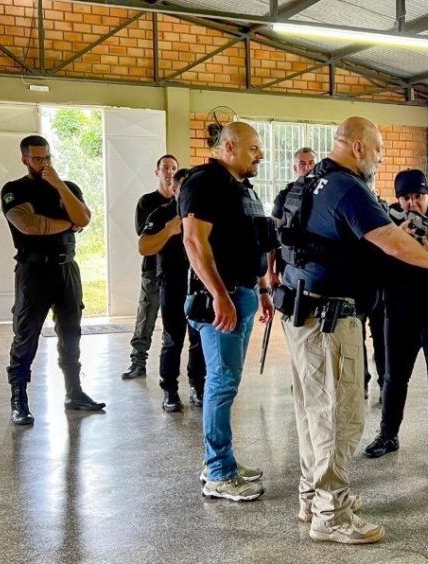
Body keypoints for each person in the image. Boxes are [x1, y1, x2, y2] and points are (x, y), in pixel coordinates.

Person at [278, 116, 428, 544]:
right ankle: (332, 515)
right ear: (359, 147)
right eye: (379, 149)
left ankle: (314, 497)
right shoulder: (349, 186)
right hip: (329, 321)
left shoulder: (312, 182)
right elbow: (389, 240)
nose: (380, 159)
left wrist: (393, 236)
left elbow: (343, 240)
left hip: (303, 312)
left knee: (313, 413)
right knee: (338, 417)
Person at [180, 122, 274, 501]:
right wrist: (219, 295)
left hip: (245, 293)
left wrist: (263, 289)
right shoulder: (203, 182)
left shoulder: (241, 187)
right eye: (254, 148)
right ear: (230, 147)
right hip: (221, 301)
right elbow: (193, 241)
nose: (261, 155)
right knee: (220, 385)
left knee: (227, 383)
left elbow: (254, 240)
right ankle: (219, 472)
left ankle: (221, 461)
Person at [363, 169, 428, 477]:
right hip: (400, 312)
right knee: (394, 379)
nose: (412, 204)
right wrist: (400, 240)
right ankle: (388, 434)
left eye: (418, 197)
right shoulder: (389, 221)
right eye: (405, 197)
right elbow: (376, 264)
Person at [1, 135, 105, 425]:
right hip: (33, 272)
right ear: (25, 159)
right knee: (26, 335)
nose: (43, 163)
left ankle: (74, 393)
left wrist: (58, 185)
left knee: (71, 333)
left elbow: (83, 218)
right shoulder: (14, 189)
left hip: (67, 269)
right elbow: (29, 225)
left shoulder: (67, 187)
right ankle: (19, 399)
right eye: (37, 159)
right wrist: (68, 224)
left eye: (47, 157)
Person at [138, 168, 205, 412]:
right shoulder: (162, 213)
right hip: (172, 284)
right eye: (184, 188)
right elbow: (144, 247)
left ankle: (198, 386)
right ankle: (170, 391)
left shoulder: (204, 213)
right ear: (175, 190)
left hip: (200, 285)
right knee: (173, 339)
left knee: (198, 338)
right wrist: (169, 230)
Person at [120, 155, 179, 380]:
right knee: (146, 316)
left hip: (176, 270)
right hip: (152, 269)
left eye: (173, 168)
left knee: (175, 322)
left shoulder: (182, 202)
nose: (169, 172)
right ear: (157, 172)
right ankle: (137, 362)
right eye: (165, 168)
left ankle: (171, 365)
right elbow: (144, 235)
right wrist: (168, 229)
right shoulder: (147, 202)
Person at [268, 147, 317, 286]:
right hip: (290, 264)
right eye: (302, 163)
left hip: (318, 264)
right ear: (295, 167)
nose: (307, 167)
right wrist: (271, 272)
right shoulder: (284, 196)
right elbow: (273, 237)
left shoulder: (326, 193)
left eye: (311, 162)